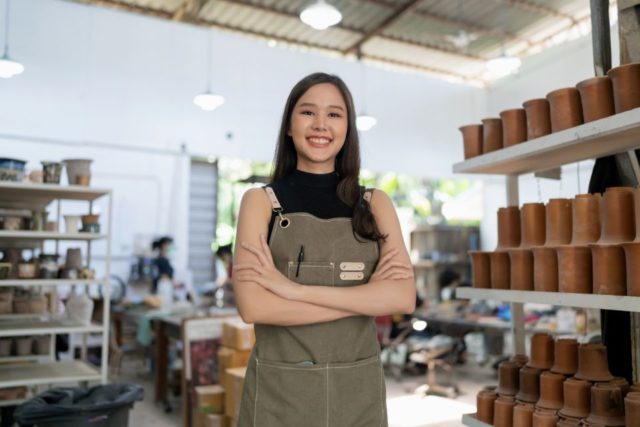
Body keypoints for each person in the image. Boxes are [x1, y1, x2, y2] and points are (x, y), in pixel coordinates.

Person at [232, 72, 416, 427]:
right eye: (307, 113)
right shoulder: (260, 203)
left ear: (348, 128)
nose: (321, 125)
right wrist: (366, 297)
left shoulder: (376, 204)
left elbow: (402, 298)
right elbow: (254, 306)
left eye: (334, 114)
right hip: (280, 394)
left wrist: (294, 291)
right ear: (289, 125)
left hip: (357, 391)